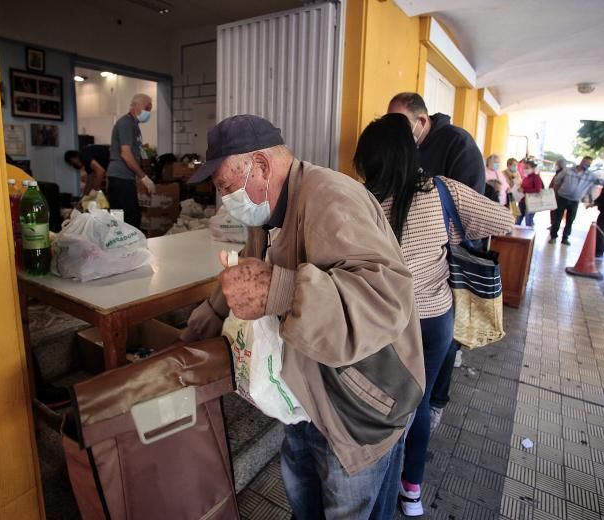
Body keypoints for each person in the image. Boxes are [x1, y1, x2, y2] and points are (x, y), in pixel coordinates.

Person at [178, 115, 425, 519]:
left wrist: (279, 290)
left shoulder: (332, 197)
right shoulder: (267, 212)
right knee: (304, 505)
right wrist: (204, 320)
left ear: (260, 166)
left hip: (359, 406)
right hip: (306, 394)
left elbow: (385, 299)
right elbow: (251, 269)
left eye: (225, 186)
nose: (224, 199)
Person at [354, 113, 514, 517]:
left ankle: (376, 485)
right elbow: (504, 220)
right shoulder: (444, 191)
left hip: (385, 321)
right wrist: (451, 232)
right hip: (435, 319)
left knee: (384, 402)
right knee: (420, 403)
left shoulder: (362, 202)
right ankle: (411, 493)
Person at [388, 92, 486, 431]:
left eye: (401, 123)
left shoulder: (457, 143)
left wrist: (435, 238)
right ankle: (413, 400)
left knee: (443, 339)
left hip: (447, 261)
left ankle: (436, 403)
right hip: (410, 262)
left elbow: (470, 208)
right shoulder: (406, 149)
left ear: (422, 121)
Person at [106, 93, 156, 228]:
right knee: (128, 219)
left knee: (126, 218)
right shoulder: (126, 123)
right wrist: (143, 177)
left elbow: (136, 152)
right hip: (120, 178)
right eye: (147, 108)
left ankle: (124, 245)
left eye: (150, 109)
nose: (148, 112)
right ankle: (124, 247)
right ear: (135, 106)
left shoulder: (134, 125)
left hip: (126, 178)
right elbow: (126, 154)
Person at [549, 155, 603, 244]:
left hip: (574, 201)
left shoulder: (590, 175)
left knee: (570, 220)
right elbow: (557, 180)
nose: (587, 165)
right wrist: (555, 193)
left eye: (589, 164)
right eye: (586, 162)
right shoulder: (567, 171)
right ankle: (553, 236)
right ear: (581, 161)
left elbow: (600, 182)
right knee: (557, 218)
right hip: (562, 197)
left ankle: (565, 238)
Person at [516, 160, 544, 227]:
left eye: (527, 168)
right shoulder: (526, 177)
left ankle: (530, 236)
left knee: (528, 221)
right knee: (518, 219)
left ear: (533, 168)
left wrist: (524, 190)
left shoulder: (536, 177)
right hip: (522, 200)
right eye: (524, 167)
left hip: (531, 202)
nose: (525, 169)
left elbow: (538, 190)